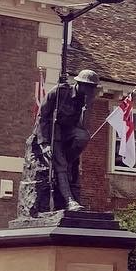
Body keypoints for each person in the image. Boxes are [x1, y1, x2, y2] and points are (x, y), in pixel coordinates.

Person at [24, 69, 100, 214]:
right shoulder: (60, 92)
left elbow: (83, 127)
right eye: (89, 87)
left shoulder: (84, 100)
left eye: (92, 88)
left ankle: (68, 161)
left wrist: (88, 107)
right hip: (52, 131)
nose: (91, 91)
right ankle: (69, 201)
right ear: (79, 84)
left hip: (68, 132)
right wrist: (44, 143)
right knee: (60, 163)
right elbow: (42, 117)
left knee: (83, 136)